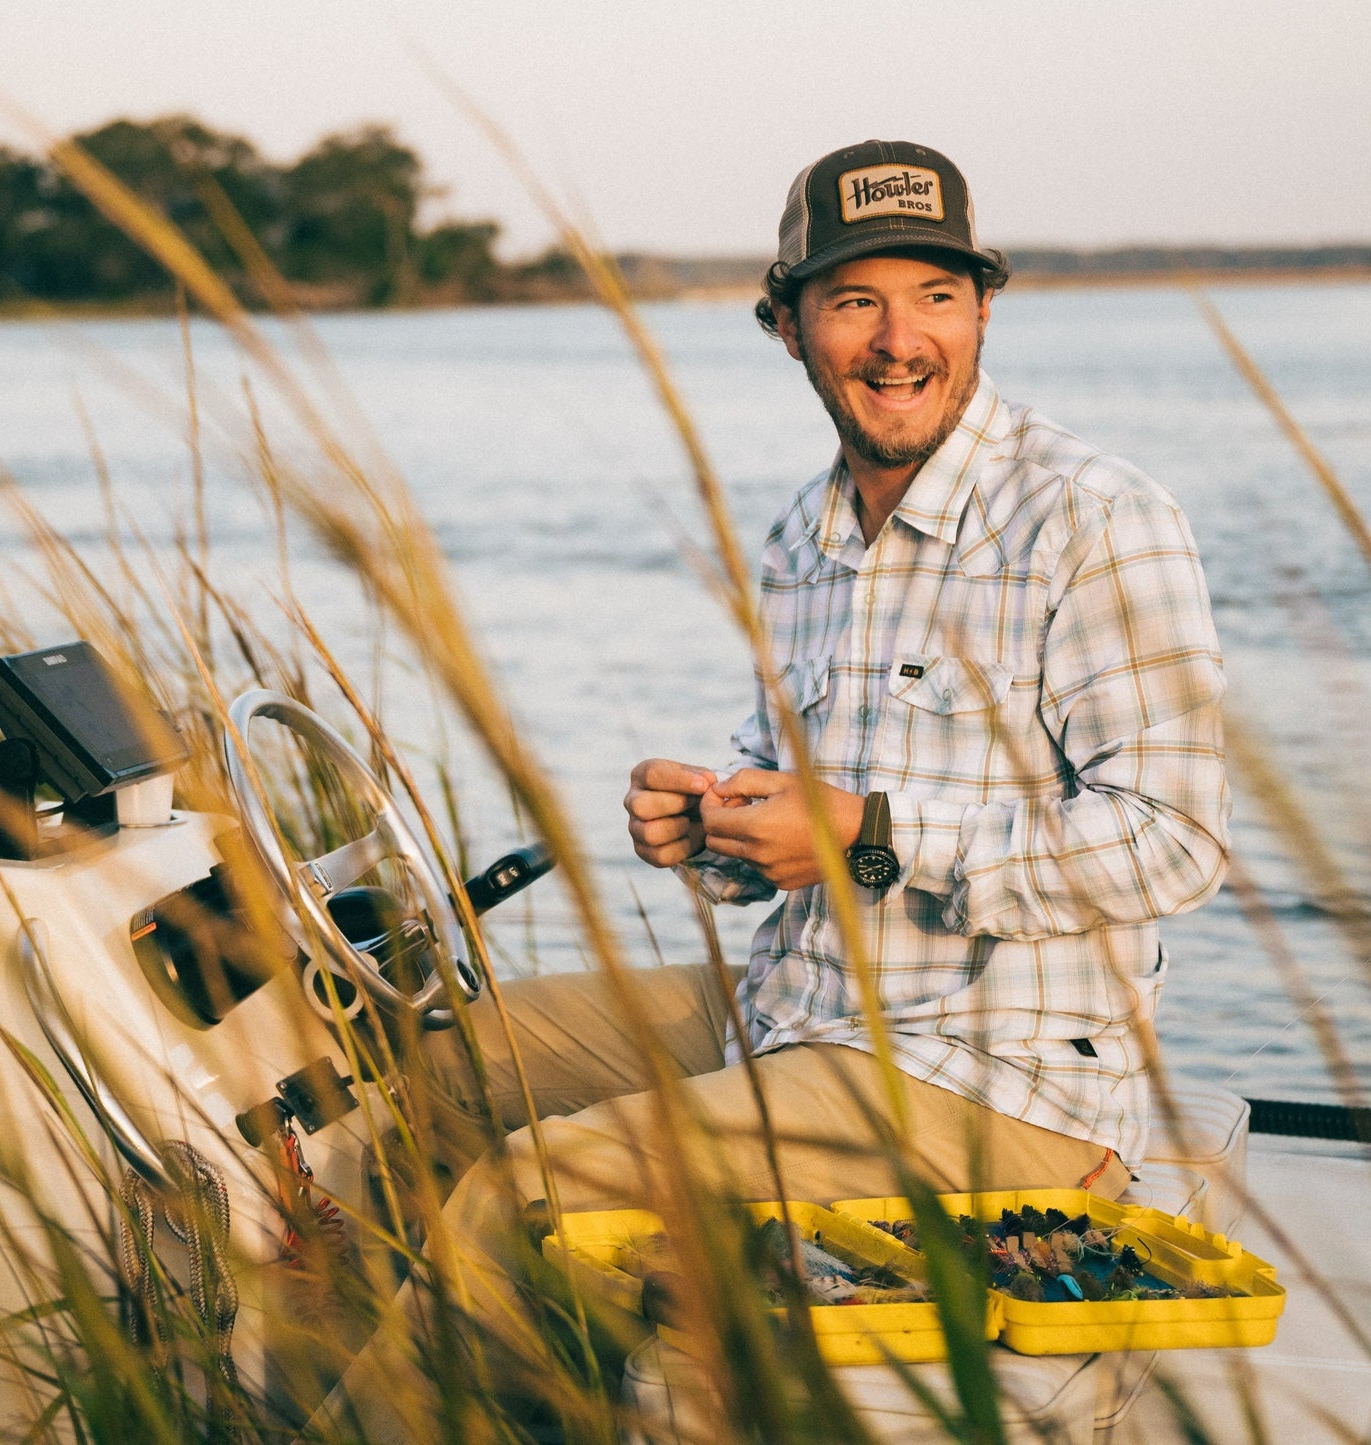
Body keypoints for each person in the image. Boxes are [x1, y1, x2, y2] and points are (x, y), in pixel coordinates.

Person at [322, 139, 1229, 1437]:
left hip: (998, 1083)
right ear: (787, 327)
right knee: (454, 1065)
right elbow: (780, 834)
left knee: (536, 1186)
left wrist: (867, 838)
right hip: (789, 1011)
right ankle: (317, 1386)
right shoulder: (802, 536)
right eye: (853, 300)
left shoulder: (1090, 517)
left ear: (983, 311)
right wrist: (704, 832)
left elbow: (1174, 841)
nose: (896, 338)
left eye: (934, 294)